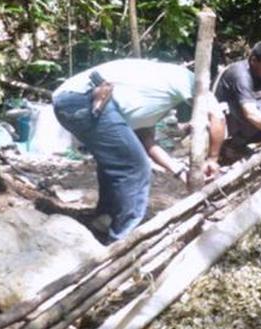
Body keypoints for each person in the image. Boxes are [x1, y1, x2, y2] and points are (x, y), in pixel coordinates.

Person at [51, 59, 224, 243]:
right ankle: (122, 241)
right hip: (84, 98)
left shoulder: (153, 95)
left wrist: (180, 172)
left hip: (68, 100)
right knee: (134, 167)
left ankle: (104, 220)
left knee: (118, 158)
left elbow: (147, 142)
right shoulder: (190, 80)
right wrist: (213, 159)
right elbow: (218, 118)